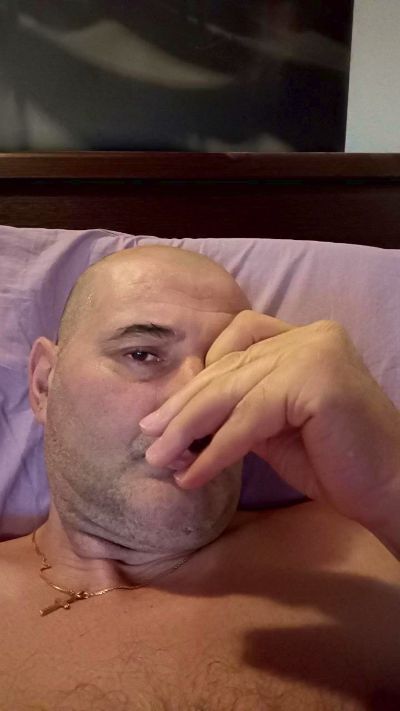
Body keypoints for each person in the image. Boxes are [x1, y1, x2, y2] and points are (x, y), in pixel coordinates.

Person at [1, 245, 399, 711]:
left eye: (229, 367)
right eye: (142, 354)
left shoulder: (366, 552)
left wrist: (391, 483)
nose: (196, 401)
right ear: (44, 384)